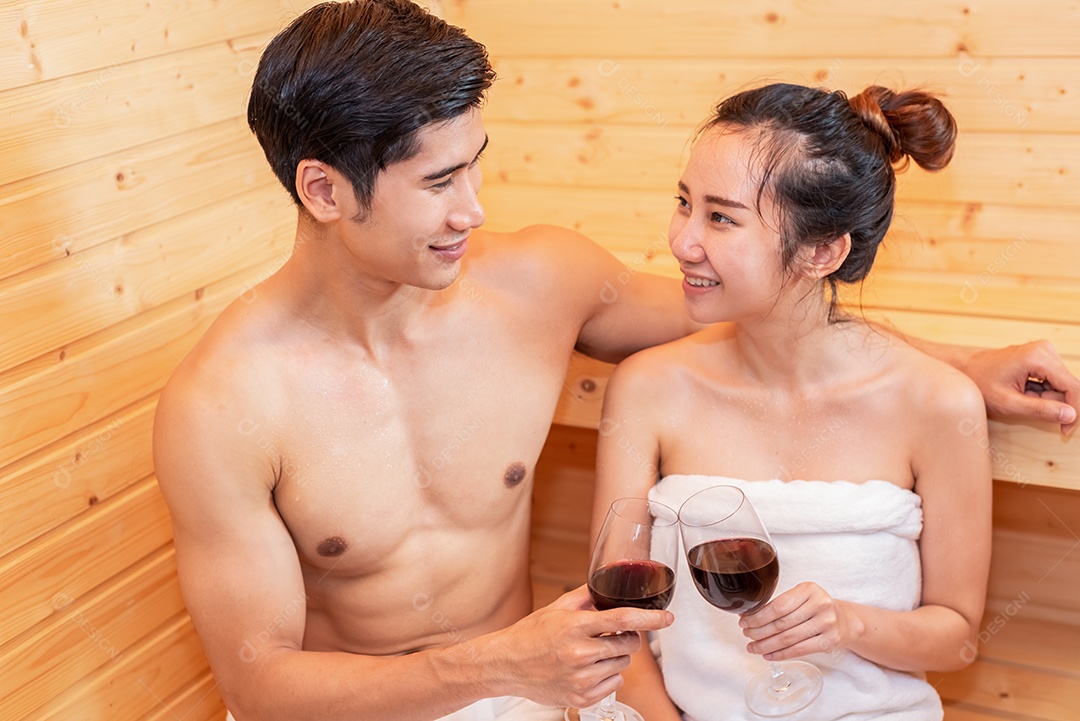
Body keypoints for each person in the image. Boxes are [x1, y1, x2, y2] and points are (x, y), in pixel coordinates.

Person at [152, 2, 1078, 720]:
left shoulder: (538, 281)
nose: (473, 209)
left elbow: (764, 306)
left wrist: (966, 364)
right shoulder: (225, 401)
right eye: (439, 183)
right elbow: (260, 683)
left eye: (476, 164)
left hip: (526, 697)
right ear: (323, 189)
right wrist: (500, 660)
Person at [591, 83, 1005, 721]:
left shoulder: (936, 404)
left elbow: (956, 637)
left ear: (822, 251)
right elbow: (615, 617)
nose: (682, 240)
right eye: (684, 203)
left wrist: (848, 625)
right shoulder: (649, 389)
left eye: (721, 217)